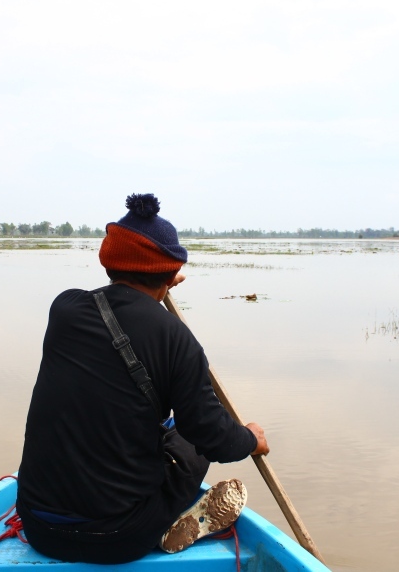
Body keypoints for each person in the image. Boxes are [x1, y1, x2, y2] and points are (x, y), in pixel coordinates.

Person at [16, 193, 269, 564]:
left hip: (40, 527)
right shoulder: (177, 340)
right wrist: (249, 439)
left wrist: (159, 281)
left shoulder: (65, 309)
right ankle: (170, 520)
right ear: (169, 274)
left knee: (145, 419)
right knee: (188, 438)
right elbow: (212, 437)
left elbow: (118, 300)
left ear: (108, 264)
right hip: (120, 536)